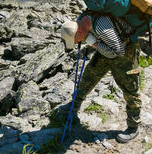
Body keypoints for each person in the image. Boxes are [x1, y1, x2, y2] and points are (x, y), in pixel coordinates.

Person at [60, 13, 142, 143]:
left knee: (130, 89)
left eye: (76, 40)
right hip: (106, 49)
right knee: (88, 77)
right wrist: (92, 42)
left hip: (126, 53)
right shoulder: (81, 20)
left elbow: (118, 51)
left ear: (79, 31)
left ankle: (133, 127)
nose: (77, 43)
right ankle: (73, 108)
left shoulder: (101, 28)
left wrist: (93, 43)